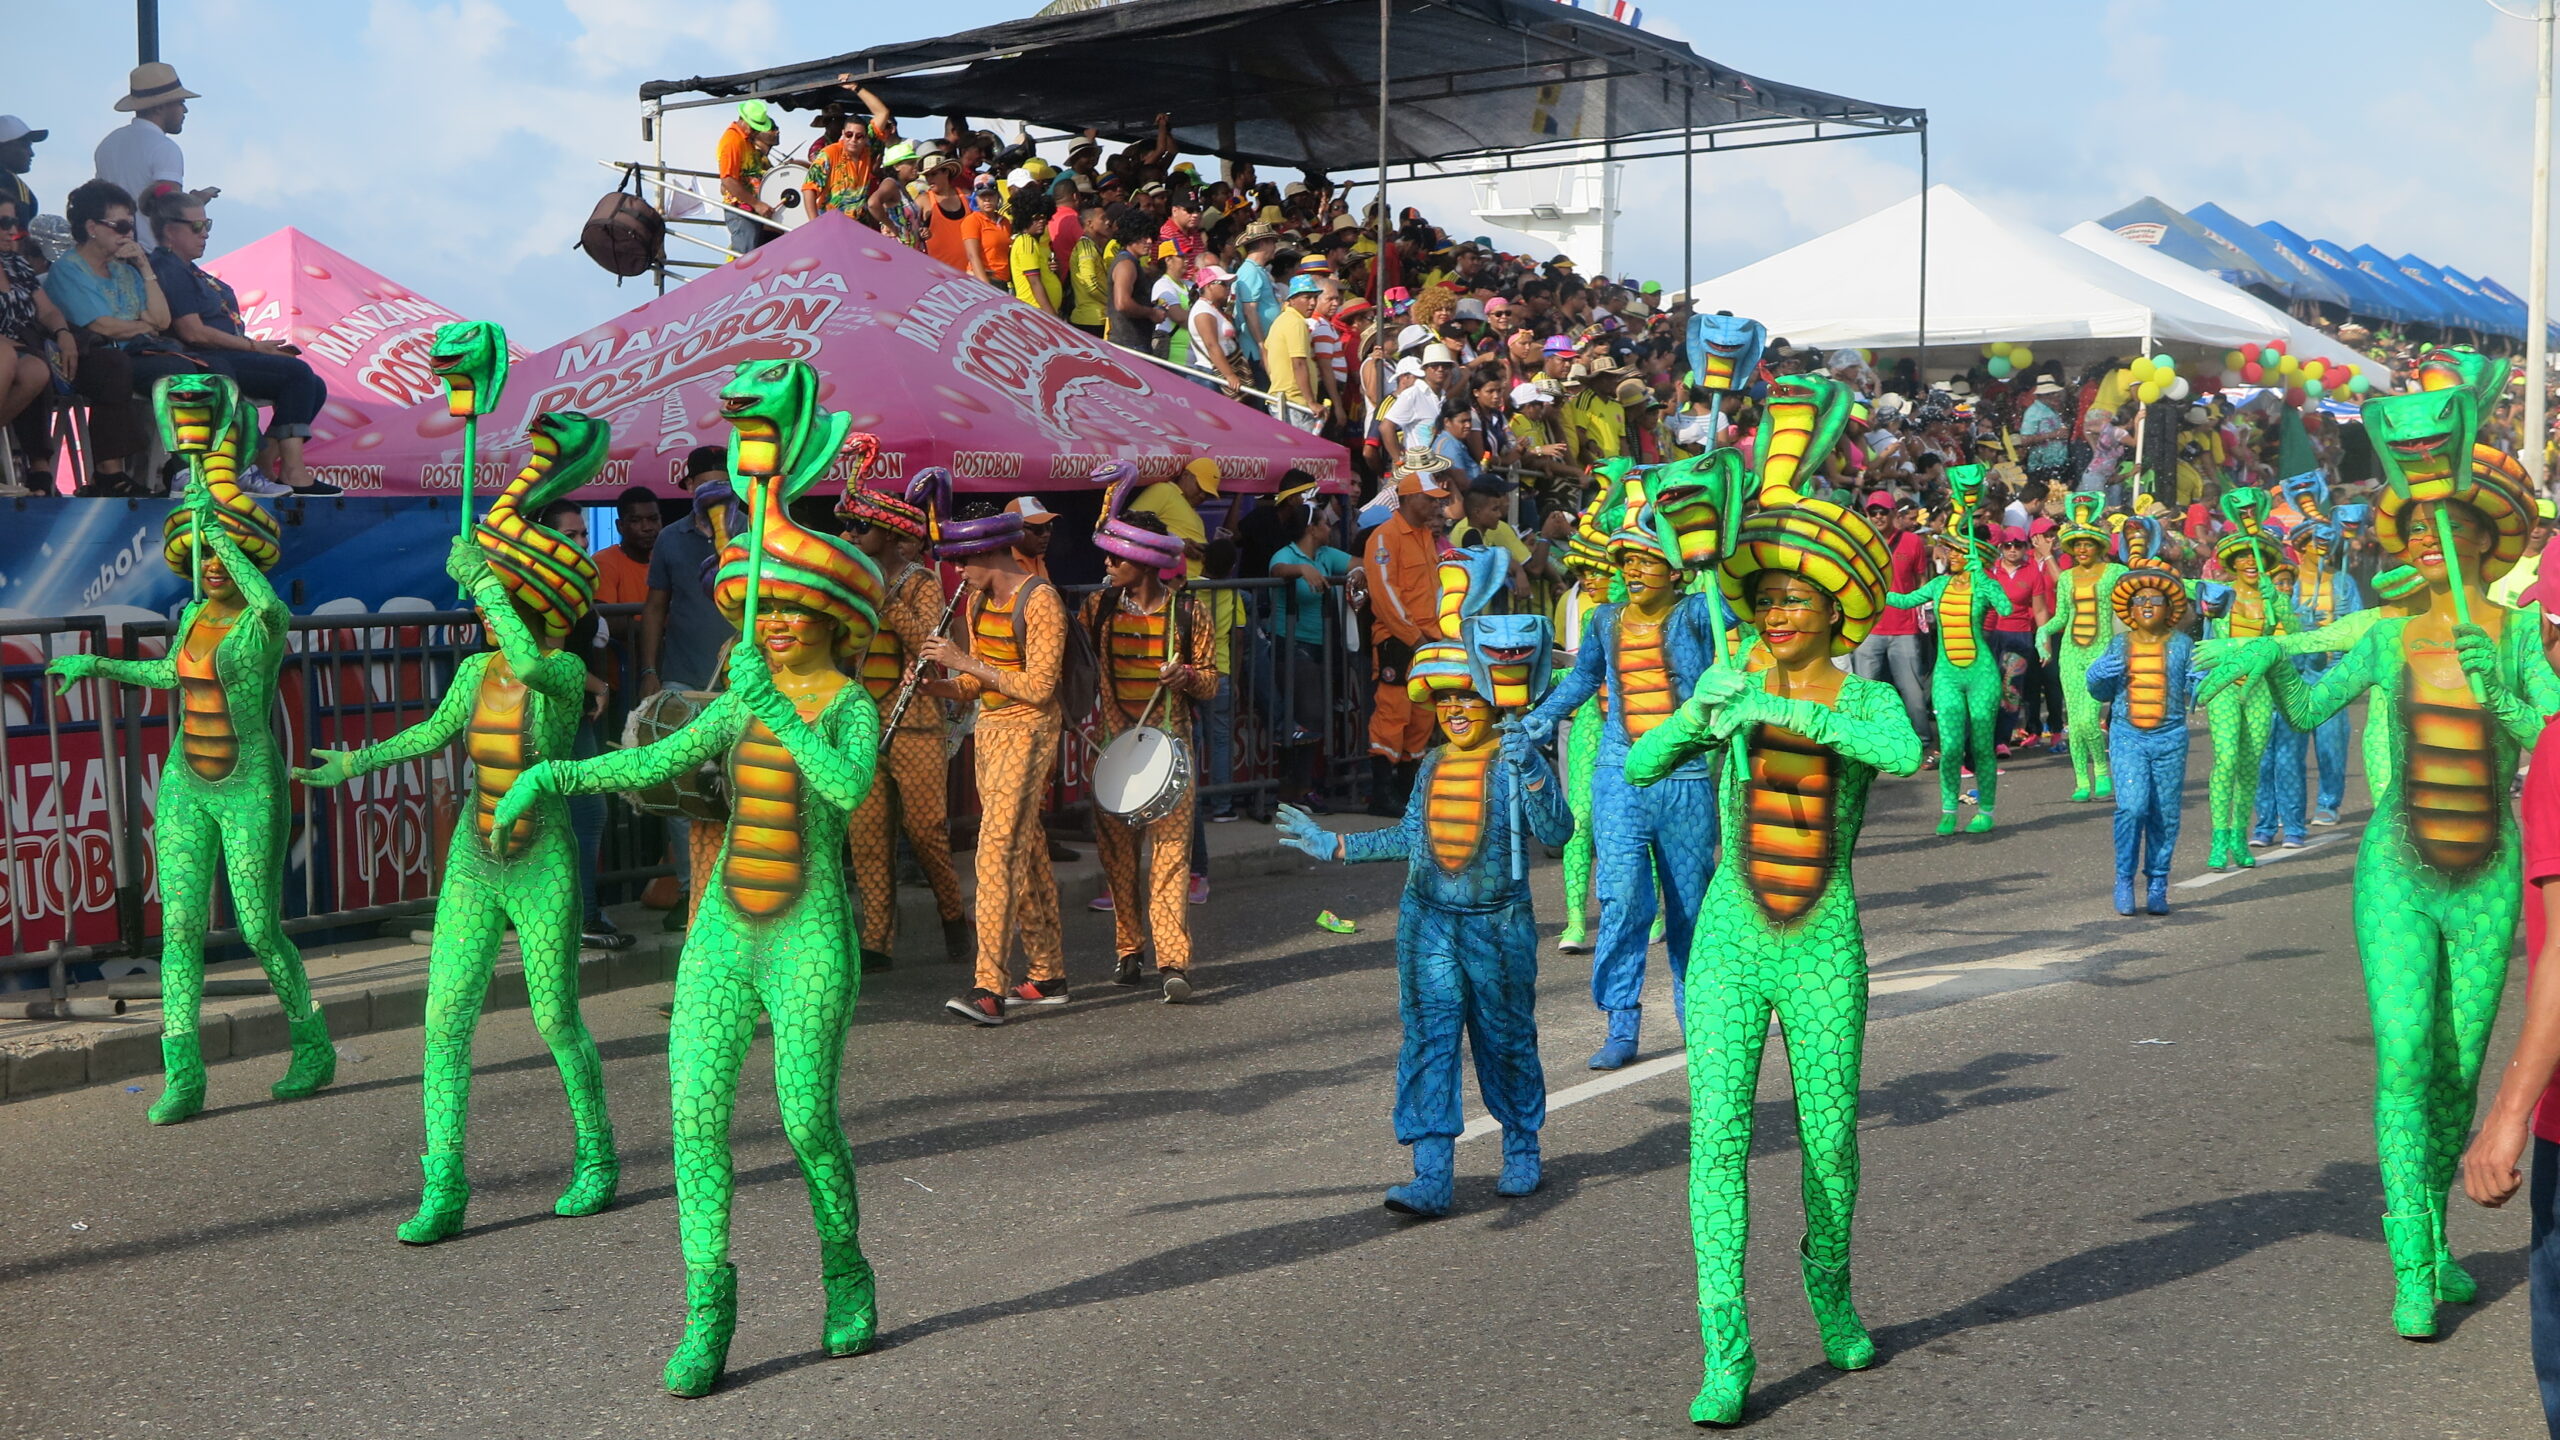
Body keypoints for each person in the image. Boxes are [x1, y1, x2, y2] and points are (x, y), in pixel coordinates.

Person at [500, 365, 887, 1395]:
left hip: (807, 928)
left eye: (799, 613)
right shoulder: (738, 694)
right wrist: (553, 769)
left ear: (829, 619)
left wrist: (788, 709)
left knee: (805, 1119)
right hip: (723, 929)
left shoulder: (844, 700)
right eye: (772, 613)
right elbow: (648, 763)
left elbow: (849, 792)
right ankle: (706, 1307)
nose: (780, 625)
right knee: (693, 1117)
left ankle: (845, 1270)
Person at [2213, 375, 2557, 1341]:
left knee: (2455, 1066)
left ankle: (2438, 1231)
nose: (2423, 546)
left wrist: (2510, 699)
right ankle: (2411, 1254)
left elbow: (2554, 735)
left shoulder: (2523, 635)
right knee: (2405, 1056)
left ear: (2491, 542)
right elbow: (2311, 710)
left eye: (2443, 532)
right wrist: (2271, 660)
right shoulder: (2386, 634)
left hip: (2490, 878)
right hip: (2396, 870)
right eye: (2410, 535)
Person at [1625, 497, 1919, 1427]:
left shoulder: (1863, 695)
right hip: (1729, 943)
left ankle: (1829, 1287)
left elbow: (1902, 752)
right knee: (1717, 1140)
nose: (1779, 614)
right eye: (1766, 603)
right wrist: (1699, 712)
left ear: (1836, 611)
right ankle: (1728, 1349)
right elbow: (1640, 767)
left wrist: (1778, 705)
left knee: (1829, 1142)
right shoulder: (1730, 678)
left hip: (1824, 943)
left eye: (1798, 599)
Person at [297, 415, 618, 1243]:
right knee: (443, 1021)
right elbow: (432, 733)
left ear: (531, 600)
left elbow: (532, 654)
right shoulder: (477, 669)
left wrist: (485, 584)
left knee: (555, 1020)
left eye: (502, 596)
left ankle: (597, 1156)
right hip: (476, 859)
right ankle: (444, 1184)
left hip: (541, 854)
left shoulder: (564, 669)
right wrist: (355, 763)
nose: (485, 610)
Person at [46, 375, 330, 1123]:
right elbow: (169, 674)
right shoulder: (195, 616)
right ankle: (184, 1074)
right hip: (186, 785)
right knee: (178, 928)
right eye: (201, 553)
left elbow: (267, 602)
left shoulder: (261, 621)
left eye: (225, 553)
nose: (211, 563)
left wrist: (221, 527)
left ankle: (312, 1045)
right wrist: (97, 664)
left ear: (250, 551)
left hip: (249, 785)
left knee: (261, 926)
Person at [1274, 548, 1572, 1216]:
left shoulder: (1515, 754)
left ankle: (1522, 1147)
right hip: (1428, 922)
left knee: (1506, 1039)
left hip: (1499, 926)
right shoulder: (1433, 762)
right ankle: (1432, 1172)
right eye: (1444, 700)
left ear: (1493, 697)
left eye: (1468, 696)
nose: (1456, 711)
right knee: (1430, 1040)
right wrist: (1338, 845)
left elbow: (1558, 834)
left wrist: (1532, 770)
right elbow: (1414, 837)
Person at [1521, 469, 1729, 1070]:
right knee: (1622, 900)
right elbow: (1585, 679)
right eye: (1625, 562)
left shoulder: (1698, 614)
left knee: (1691, 905)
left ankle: (1700, 1014)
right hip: (1620, 774)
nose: (1632, 572)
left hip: (1686, 774)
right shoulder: (1604, 621)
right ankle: (1622, 1022)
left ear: (1674, 567)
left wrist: (1715, 568)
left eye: (1644, 560)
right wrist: (1542, 716)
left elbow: (1742, 626)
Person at [914, 474, 1070, 1026]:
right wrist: (935, 684)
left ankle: (988, 986)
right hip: (992, 732)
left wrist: (966, 663)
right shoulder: (980, 601)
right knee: (1025, 851)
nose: (957, 572)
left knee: (995, 850)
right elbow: (978, 684)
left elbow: (1039, 686)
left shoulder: (1041, 599)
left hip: (1031, 730)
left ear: (985, 550)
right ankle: (1049, 973)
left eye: (961, 560)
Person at [1081, 472, 1219, 1000]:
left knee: (1170, 860)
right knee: (1117, 859)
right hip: (1115, 750)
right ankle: (1128, 950)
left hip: (1172, 753)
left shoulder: (1189, 611)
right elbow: (1077, 670)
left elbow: (1210, 682)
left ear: (1144, 560)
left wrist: (1185, 677)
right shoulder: (1098, 608)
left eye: (1116, 559)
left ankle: (1173, 963)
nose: (1107, 566)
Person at [837, 475, 972, 969]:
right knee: (867, 837)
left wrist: (886, 597)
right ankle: (877, 941)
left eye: (859, 528)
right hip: (862, 726)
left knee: (926, 831)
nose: (849, 536)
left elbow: (927, 644)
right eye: (848, 527)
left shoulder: (922, 583)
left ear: (890, 537)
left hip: (915, 724)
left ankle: (954, 916)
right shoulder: (851, 582)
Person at [144, 190, 337, 494]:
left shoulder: (190, 270)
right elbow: (192, 331)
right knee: (297, 375)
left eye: (208, 225)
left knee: (313, 384)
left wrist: (262, 348)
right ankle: (294, 472)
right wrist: (254, 348)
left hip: (228, 352)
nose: (205, 234)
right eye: (197, 227)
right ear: (170, 230)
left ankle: (263, 465)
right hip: (202, 358)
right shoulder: (168, 268)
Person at [44, 179, 207, 497]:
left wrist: (144, 266)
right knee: (170, 372)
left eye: (131, 226)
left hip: (135, 353)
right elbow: (104, 326)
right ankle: (166, 467)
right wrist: (142, 324)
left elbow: (160, 321)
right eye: (120, 226)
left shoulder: (125, 270)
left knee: (210, 371)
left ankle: (202, 466)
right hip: (92, 359)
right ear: (92, 227)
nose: (129, 235)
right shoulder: (68, 270)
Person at [1885, 491, 2012, 835]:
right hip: (1946, 675)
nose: (1950, 555)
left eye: (1958, 550)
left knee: (1982, 745)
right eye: (1949, 549)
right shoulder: (1939, 584)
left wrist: (1984, 579)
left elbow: (2006, 608)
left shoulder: (1985, 584)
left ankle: (1985, 809)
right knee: (1952, 746)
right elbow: (1903, 599)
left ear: (1973, 555)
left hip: (1981, 673)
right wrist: (1868, 587)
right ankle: (1948, 808)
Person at [2085, 567, 2199, 916]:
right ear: (2129, 610)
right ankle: (2123, 880)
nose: (2146, 605)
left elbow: (2197, 691)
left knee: (2164, 813)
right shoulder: (2118, 644)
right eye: (2139, 601)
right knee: (2132, 807)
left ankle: (2158, 882)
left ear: (2170, 608)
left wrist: (2204, 679)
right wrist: (2095, 675)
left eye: (2155, 600)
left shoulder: (2183, 645)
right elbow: (2100, 691)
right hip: (2127, 736)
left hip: (2171, 737)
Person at [2199, 495, 2291, 871]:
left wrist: (2280, 606)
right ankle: (2219, 837)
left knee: (2250, 764)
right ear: (2232, 563)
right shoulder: (2219, 593)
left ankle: (2240, 834)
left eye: (2256, 559)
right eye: (2243, 559)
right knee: (2226, 760)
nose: (2250, 563)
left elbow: (2295, 640)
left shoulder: (2275, 598)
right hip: (2223, 685)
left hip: (2260, 689)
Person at [1362, 446, 1455, 815]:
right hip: (1399, 643)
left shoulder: (1423, 537)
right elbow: (1386, 596)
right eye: (1431, 500)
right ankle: (1382, 794)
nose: (1437, 507)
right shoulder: (1385, 537)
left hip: (1427, 641)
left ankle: (1405, 790)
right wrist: (1415, 638)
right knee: (1393, 713)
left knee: (1421, 716)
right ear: (1411, 497)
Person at [1266, 495, 1358, 808]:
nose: (1329, 527)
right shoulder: (1287, 554)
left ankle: (1301, 788)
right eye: (1324, 523)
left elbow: (1359, 565)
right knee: (1307, 716)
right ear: (1311, 529)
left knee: (1313, 718)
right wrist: (1300, 570)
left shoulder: (1325, 554)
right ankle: (1295, 790)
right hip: (1290, 644)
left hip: (1321, 646)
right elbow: (1277, 570)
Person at [2036, 497, 2126, 802]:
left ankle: (2101, 769)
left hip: (2100, 651)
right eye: (2078, 544)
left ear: (2099, 545)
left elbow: (2130, 605)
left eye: (2089, 543)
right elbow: (2060, 617)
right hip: (2070, 654)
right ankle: (2080, 780)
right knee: (2074, 722)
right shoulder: (2066, 579)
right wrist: (2042, 632)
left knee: (2088, 718)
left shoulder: (2114, 573)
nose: (2083, 549)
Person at [93, 63, 212, 251]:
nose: (185, 110)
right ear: (160, 107)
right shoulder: (164, 148)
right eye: (180, 102)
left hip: (113, 252)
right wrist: (195, 201)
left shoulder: (108, 143)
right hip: (151, 255)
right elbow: (170, 211)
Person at [1849, 492, 1933, 752]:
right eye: (1873, 512)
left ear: (1894, 514)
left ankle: (1923, 742)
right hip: (1869, 629)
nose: (1877, 517)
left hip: (1904, 629)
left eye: (1882, 512)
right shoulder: (1859, 543)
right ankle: (1867, 743)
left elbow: (1922, 583)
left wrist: (1923, 616)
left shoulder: (1912, 542)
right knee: (1866, 691)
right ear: (1866, 515)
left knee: (1913, 693)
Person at [0, 193, 70, 494]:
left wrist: (63, 333)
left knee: (37, 371)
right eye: (3, 222)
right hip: (6, 349)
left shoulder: (15, 264)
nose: (11, 230)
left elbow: (48, 310)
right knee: (7, 357)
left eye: (14, 222)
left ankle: (34, 468)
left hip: (17, 347)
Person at [714, 100, 781, 256]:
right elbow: (728, 180)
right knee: (745, 256)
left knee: (752, 255)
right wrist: (757, 204)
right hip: (741, 209)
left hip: (750, 208)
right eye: (753, 127)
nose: (754, 132)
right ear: (743, 120)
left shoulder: (745, 139)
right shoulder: (732, 141)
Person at [1130, 457, 1216, 577]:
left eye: (1208, 494)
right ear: (1186, 475)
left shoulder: (1196, 516)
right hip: (1167, 584)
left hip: (1193, 584)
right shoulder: (1164, 490)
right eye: (1200, 487)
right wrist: (1175, 545)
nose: (1202, 495)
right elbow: (1129, 527)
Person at [1262, 274, 1323, 429]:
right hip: (1294, 402)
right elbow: (1299, 363)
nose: (1313, 303)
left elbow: (1266, 352)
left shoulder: (1281, 320)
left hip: (1283, 399)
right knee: (1302, 453)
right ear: (1292, 299)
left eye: (1315, 297)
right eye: (1307, 297)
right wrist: (1310, 402)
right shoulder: (1295, 323)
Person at [595, 485, 662, 608]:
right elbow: (605, 619)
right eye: (636, 520)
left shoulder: (667, 559)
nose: (647, 527)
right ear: (620, 526)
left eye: (653, 519)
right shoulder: (604, 562)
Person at [0, 117, 47, 272]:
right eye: (25, 145)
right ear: (4, 146)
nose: (31, 153)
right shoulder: (11, 181)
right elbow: (20, 237)